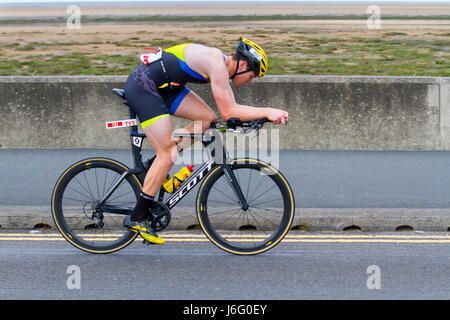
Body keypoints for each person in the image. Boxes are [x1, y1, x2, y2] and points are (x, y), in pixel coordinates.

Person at [122, 37, 289, 245]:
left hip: (166, 87)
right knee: (167, 155)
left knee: (206, 119)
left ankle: (155, 166)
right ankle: (136, 217)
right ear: (243, 65)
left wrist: (262, 116)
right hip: (144, 86)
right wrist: (268, 111)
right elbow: (228, 112)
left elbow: (232, 109)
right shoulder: (217, 65)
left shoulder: (222, 67)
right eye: (252, 75)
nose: (251, 80)